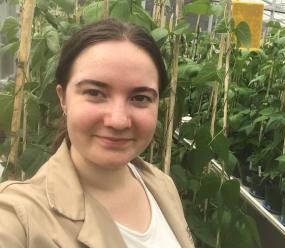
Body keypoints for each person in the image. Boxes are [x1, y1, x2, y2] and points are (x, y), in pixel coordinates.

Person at [0, 19, 194, 248]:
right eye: (95, 93)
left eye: (140, 98)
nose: (118, 120)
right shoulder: (20, 218)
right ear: (63, 98)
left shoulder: (162, 185)